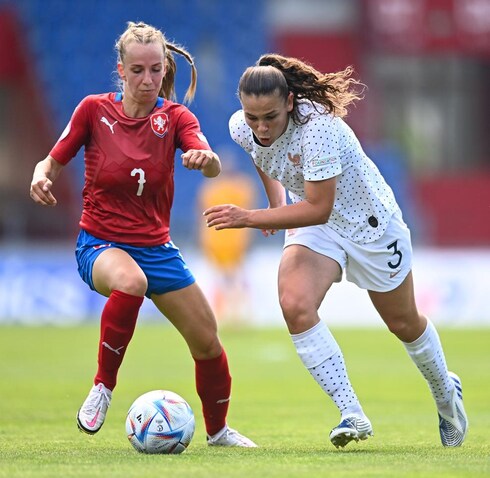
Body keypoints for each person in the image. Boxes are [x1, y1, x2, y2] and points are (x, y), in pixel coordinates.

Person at [204, 53, 468, 448]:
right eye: (252, 117)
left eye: (270, 117)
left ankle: (447, 396)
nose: (260, 127)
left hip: (369, 226)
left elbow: (318, 206)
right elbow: (265, 157)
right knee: (294, 303)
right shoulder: (242, 127)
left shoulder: (319, 129)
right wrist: (276, 208)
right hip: (318, 229)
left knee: (403, 323)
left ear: (290, 102)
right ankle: (352, 414)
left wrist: (253, 218)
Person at [29, 21, 256, 448]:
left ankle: (218, 432)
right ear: (121, 69)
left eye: (155, 70)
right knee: (131, 281)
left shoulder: (174, 118)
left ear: (164, 67)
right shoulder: (93, 111)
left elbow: (210, 162)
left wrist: (203, 158)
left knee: (208, 342)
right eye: (138, 70)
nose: (148, 80)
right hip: (100, 244)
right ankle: (102, 388)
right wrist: (40, 176)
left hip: (157, 248)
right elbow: (51, 161)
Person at [198, 149, 256, 323]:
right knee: (228, 279)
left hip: (230, 241)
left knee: (229, 279)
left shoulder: (220, 187)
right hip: (220, 241)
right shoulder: (239, 186)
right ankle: (230, 315)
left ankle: (233, 315)